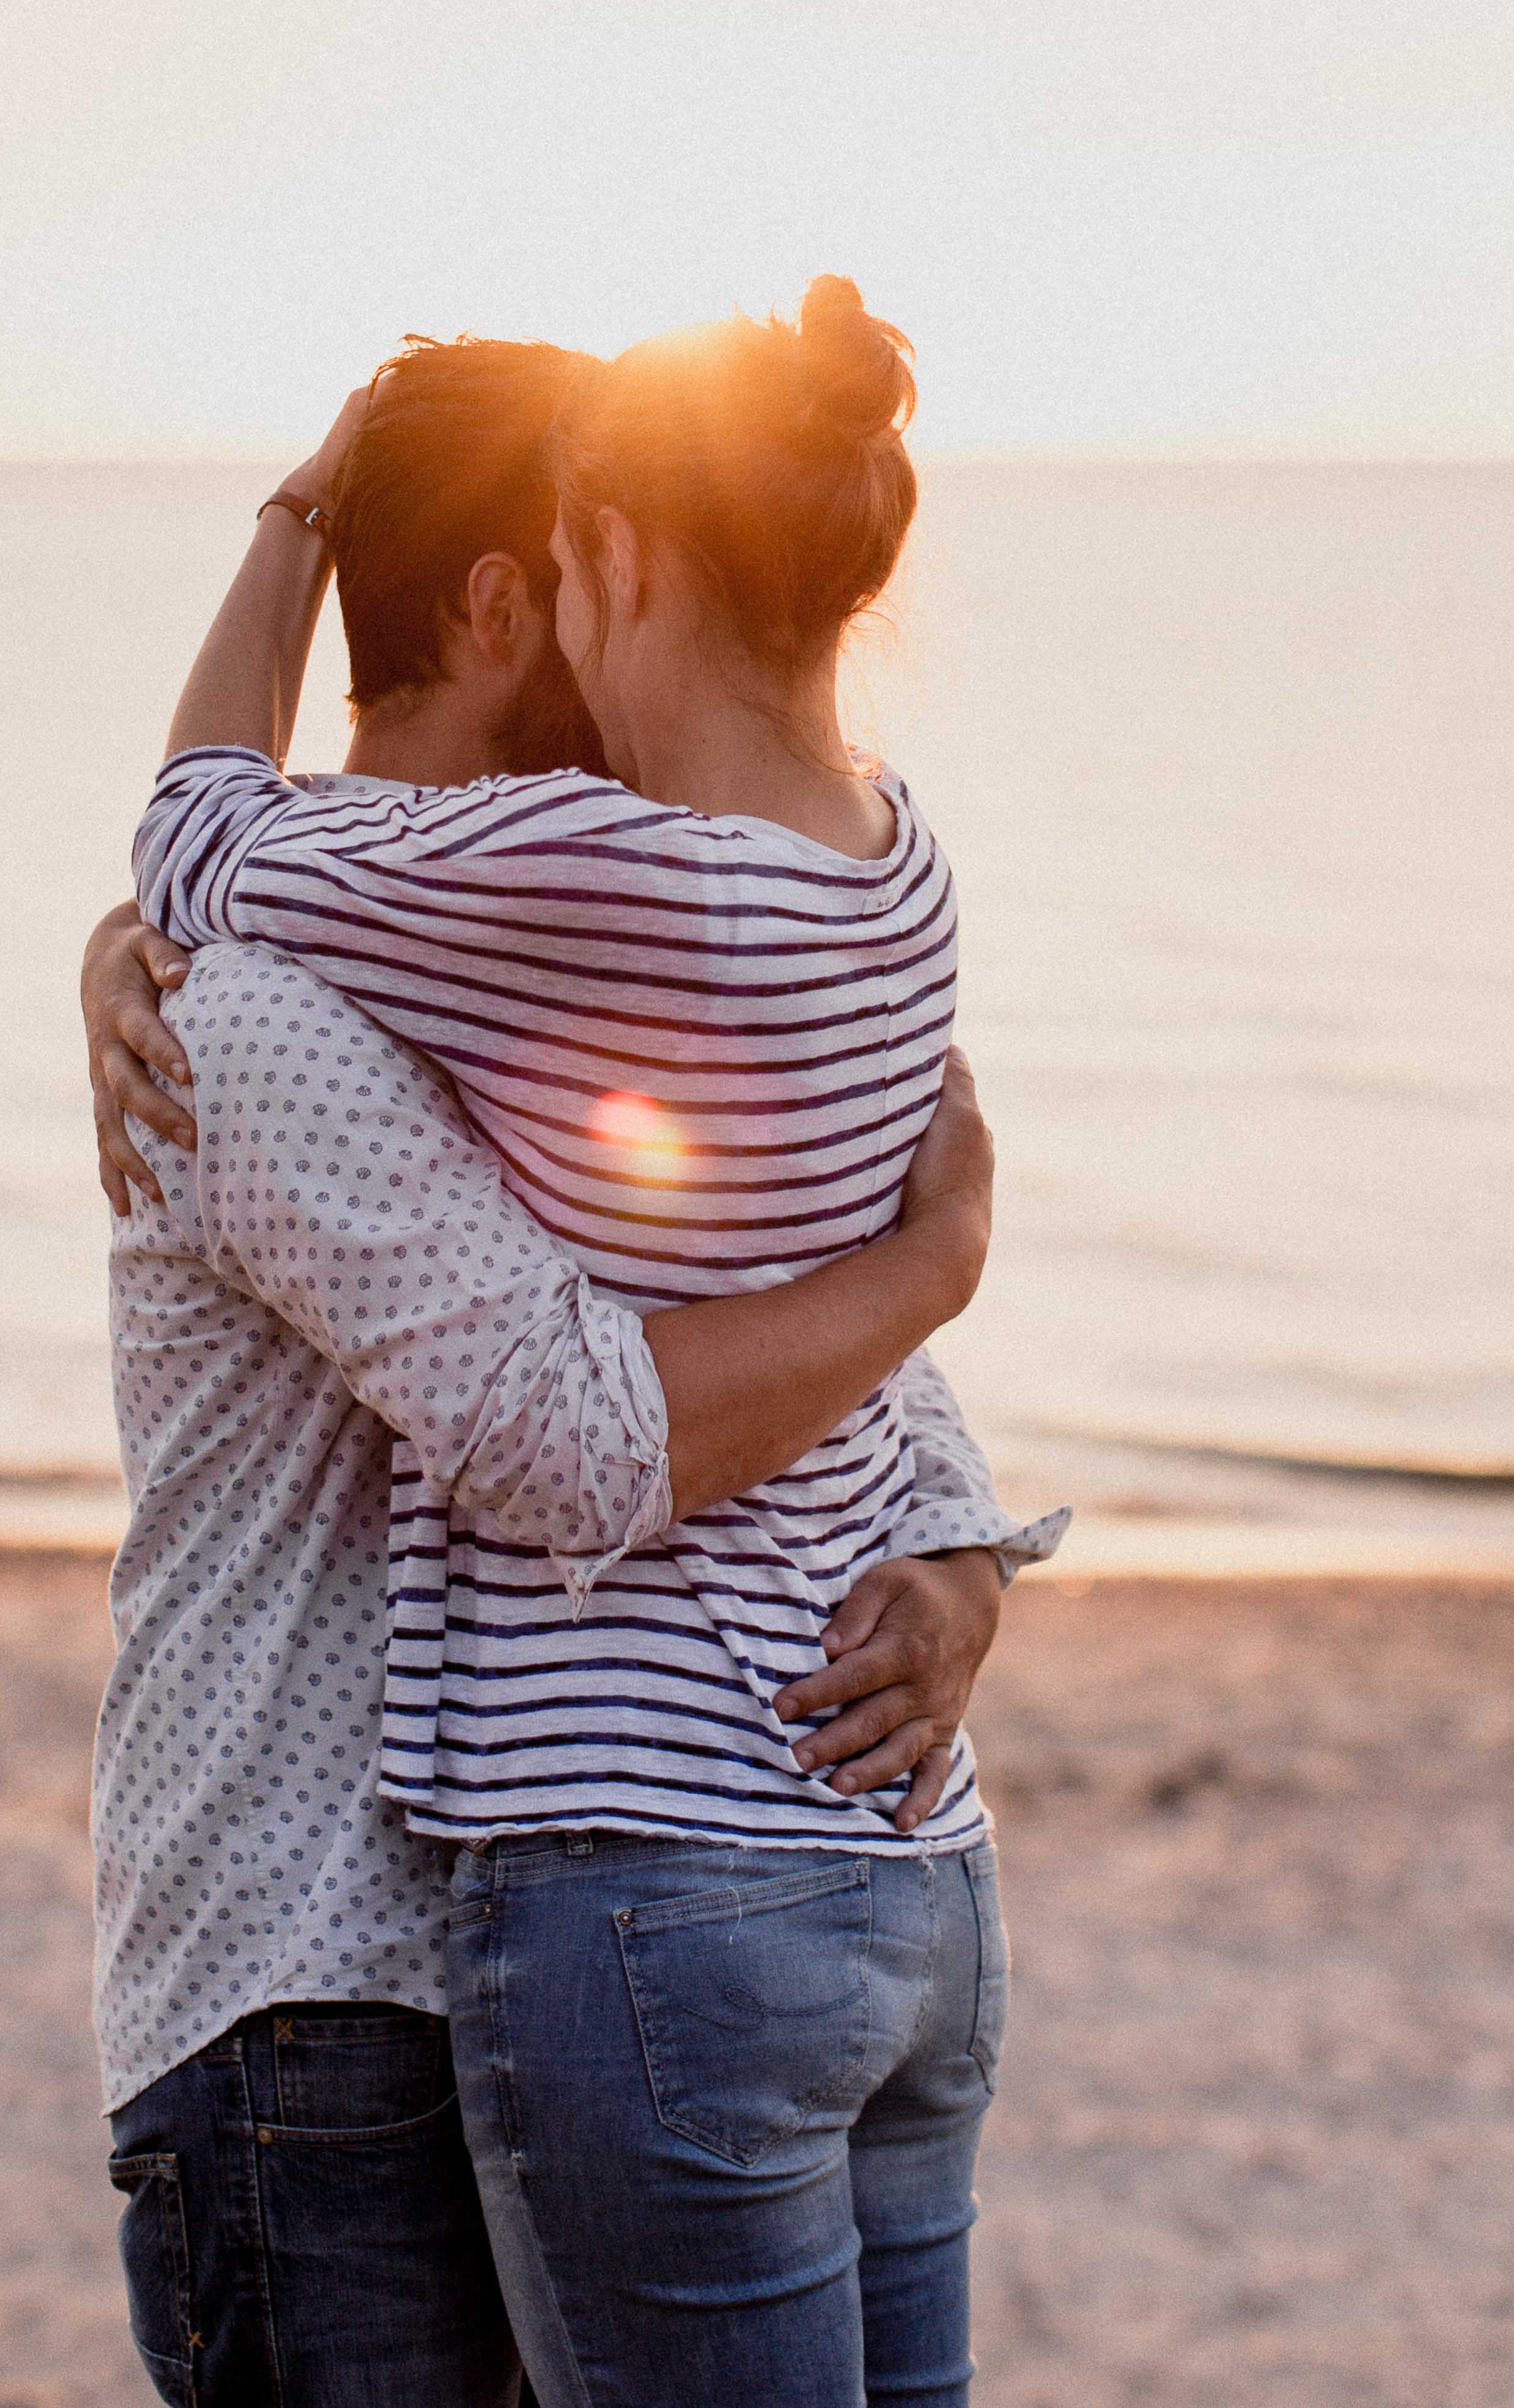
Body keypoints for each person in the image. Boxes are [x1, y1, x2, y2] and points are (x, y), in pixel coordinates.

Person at [87, 331, 1049, 2408]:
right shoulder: (260, 1012)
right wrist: (946, 1258)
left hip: (556, 1930)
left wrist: (960, 1545)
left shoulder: (550, 949)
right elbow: (586, 1423)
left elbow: (767, 1285)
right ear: (533, 598)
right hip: (319, 1995)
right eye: (620, 567)